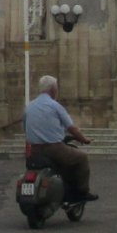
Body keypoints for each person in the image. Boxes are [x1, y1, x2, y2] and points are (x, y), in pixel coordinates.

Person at [23, 74, 96, 203]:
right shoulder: (54, 106)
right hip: (53, 148)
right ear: (53, 90)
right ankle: (83, 192)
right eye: (56, 88)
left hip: (33, 150)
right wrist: (84, 139)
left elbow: (25, 126)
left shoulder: (29, 106)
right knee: (81, 158)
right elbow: (71, 128)